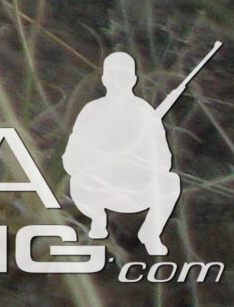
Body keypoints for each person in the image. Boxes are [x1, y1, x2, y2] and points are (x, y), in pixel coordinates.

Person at [63, 51, 183, 256]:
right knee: (75, 182)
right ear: (105, 79)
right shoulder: (93, 110)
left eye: (124, 76)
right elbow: (71, 154)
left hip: (134, 188)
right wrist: (93, 162)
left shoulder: (144, 112)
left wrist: (139, 160)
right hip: (96, 187)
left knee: (170, 183)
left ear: (133, 79)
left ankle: (151, 233)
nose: (119, 81)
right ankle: (97, 222)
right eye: (114, 76)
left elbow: (164, 158)